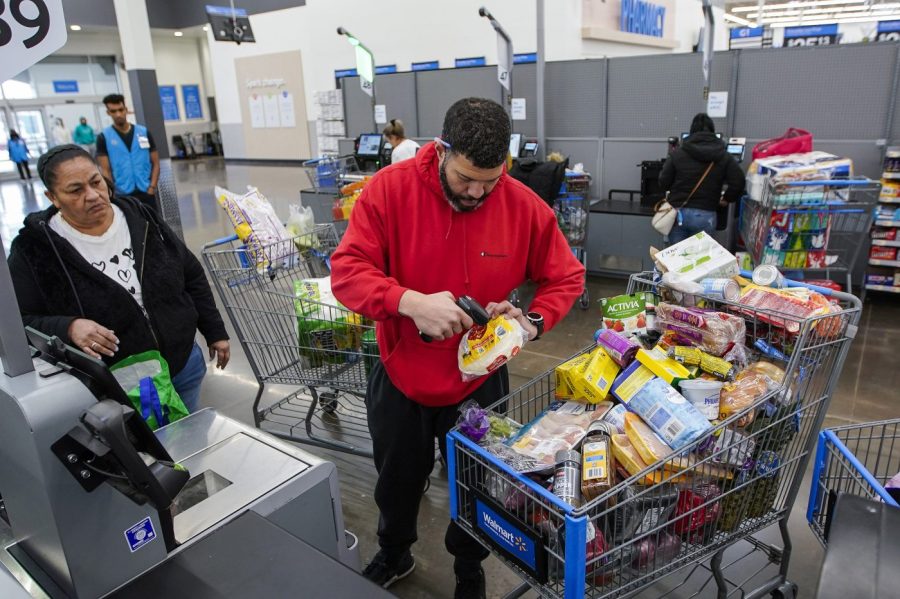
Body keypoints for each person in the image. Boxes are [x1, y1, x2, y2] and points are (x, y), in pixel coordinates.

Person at [330, 98, 585, 598]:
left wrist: (531, 322)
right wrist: (407, 302)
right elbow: (347, 274)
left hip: (481, 379)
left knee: (478, 484)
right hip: (401, 373)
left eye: (491, 180)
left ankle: (470, 566)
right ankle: (396, 550)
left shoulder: (522, 206)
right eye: (467, 178)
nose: (477, 192)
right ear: (441, 150)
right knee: (398, 480)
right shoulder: (389, 192)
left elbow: (566, 277)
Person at [7, 145, 230, 412]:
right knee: (145, 452)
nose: (92, 196)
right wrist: (68, 327)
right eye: (75, 190)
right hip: (116, 387)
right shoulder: (35, 248)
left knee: (191, 442)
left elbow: (190, 273)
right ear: (53, 197)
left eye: (95, 182)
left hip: (182, 364)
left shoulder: (141, 218)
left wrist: (214, 330)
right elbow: (18, 320)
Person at [659, 113, 746, 245]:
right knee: (700, 261)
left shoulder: (677, 153)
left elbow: (663, 182)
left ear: (691, 131)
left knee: (676, 260)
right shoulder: (723, 156)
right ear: (712, 131)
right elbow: (739, 181)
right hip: (706, 214)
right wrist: (727, 199)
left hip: (677, 214)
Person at [96, 94, 160, 206]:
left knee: (153, 222)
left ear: (126, 110)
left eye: (121, 110)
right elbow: (105, 170)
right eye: (113, 111)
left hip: (146, 191)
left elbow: (155, 163)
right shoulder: (104, 137)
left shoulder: (143, 132)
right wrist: (112, 194)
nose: (118, 114)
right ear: (108, 113)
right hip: (122, 194)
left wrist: (152, 187)